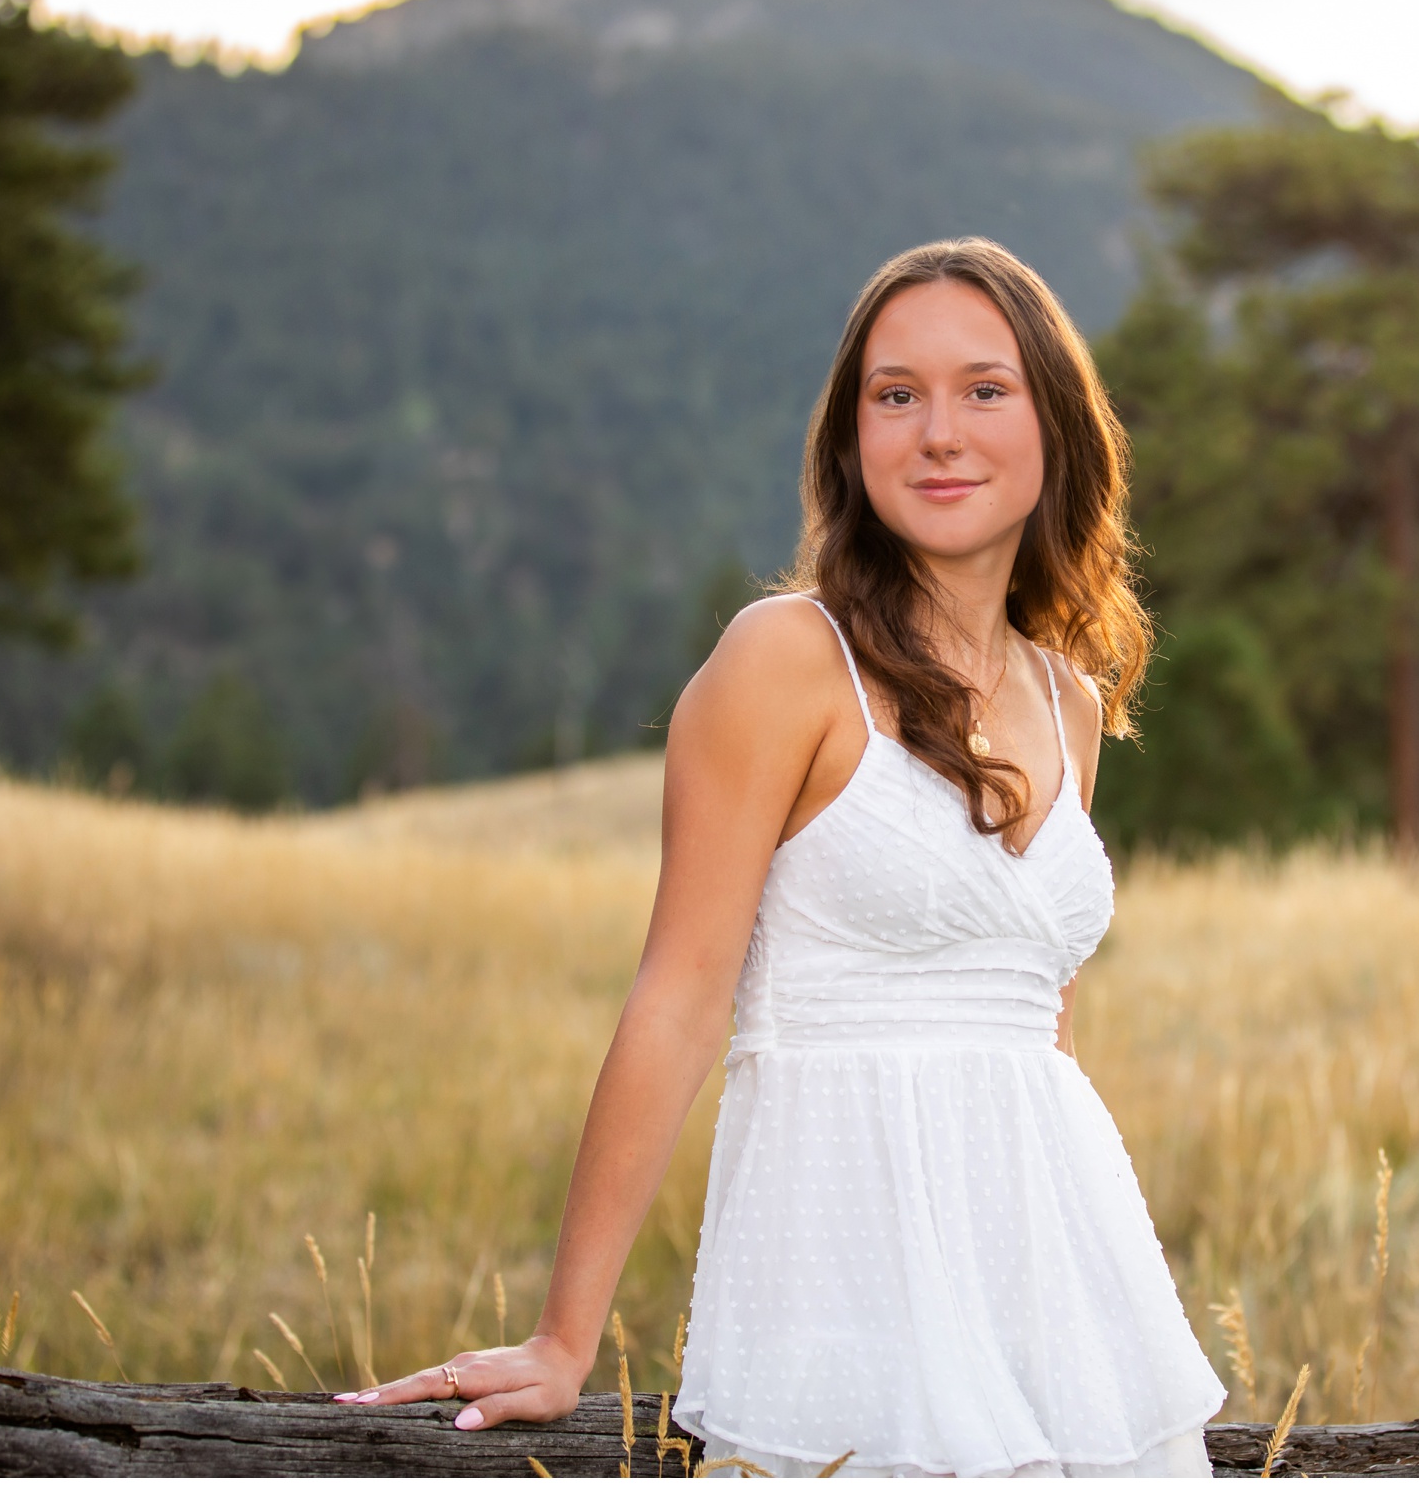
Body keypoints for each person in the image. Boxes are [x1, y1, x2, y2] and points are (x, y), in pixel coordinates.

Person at [334, 238, 1225, 1476]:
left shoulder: (1069, 701)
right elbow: (681, 995)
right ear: (852, 440)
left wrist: (1057, 1310)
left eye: (985, 388)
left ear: (1058, 427)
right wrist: (561, 1335)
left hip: (1064, 1289)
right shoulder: (788, 660)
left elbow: (1037, 1030)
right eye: (895, 394)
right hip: (846, 1277)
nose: (938, 431)